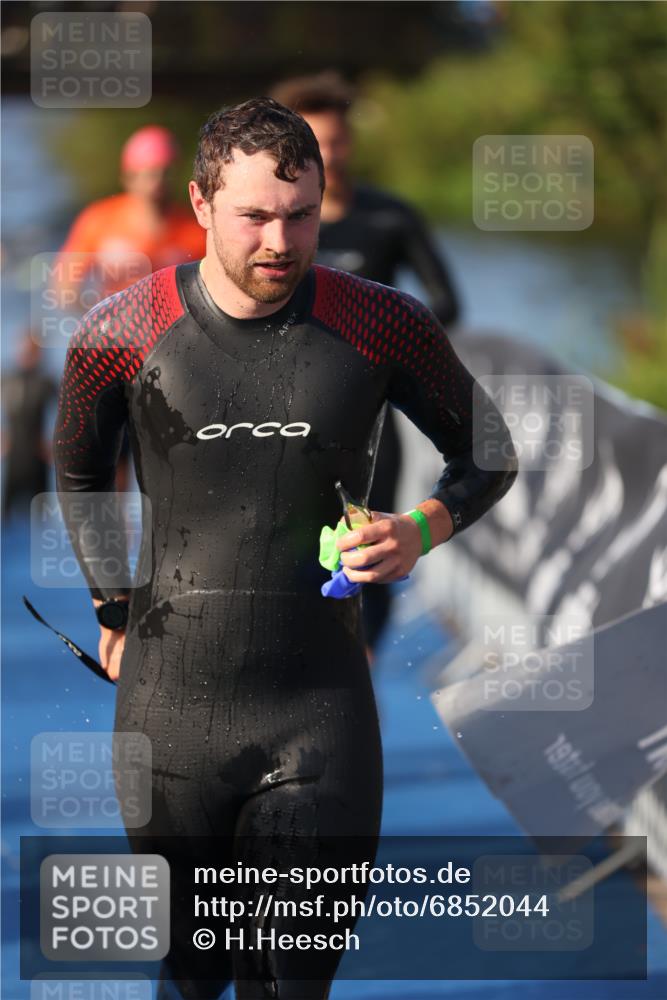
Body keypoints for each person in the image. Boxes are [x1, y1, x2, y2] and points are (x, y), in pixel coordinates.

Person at [53, 98, 517, 1000]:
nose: (280, 239)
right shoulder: (122, 331)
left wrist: (419, 529)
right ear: (199, 204)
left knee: (289, 986)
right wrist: (112, 605)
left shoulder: (379, 322)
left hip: (319, 714)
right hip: (170, 711)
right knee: (192, 974)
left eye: (300, 214)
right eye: (255, 215)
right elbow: (77, 475)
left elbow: (487, 454)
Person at [271, 71, 461, 653]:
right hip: (277, 398)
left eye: (337, 140)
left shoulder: (389, 217)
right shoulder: (274, 225)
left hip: (369, 408)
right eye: (315, 142)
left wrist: (389, 351)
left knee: (372, 534)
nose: (329, 153)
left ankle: (361, 667)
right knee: (280, 537)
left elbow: (448, 301)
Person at [51, 124, 206, 491]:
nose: (154, 183)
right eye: (146, 174)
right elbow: (62, 285)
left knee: (175, 459)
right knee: (109, 461)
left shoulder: (192, 228)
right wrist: (101, 321)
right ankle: (113, 543)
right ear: (128, 176)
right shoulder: (100, 219)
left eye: (163, 173)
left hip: (173, 359)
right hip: (114, 354)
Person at [1, 333, 57, 520]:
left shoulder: (46, 382)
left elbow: (65, 413)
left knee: (39, 515)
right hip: (13, 455)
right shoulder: (7, 379)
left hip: (37, 456)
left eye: (33, 350)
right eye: (24, 348)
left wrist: (53, 442)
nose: (27, 353)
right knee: (7, 514)